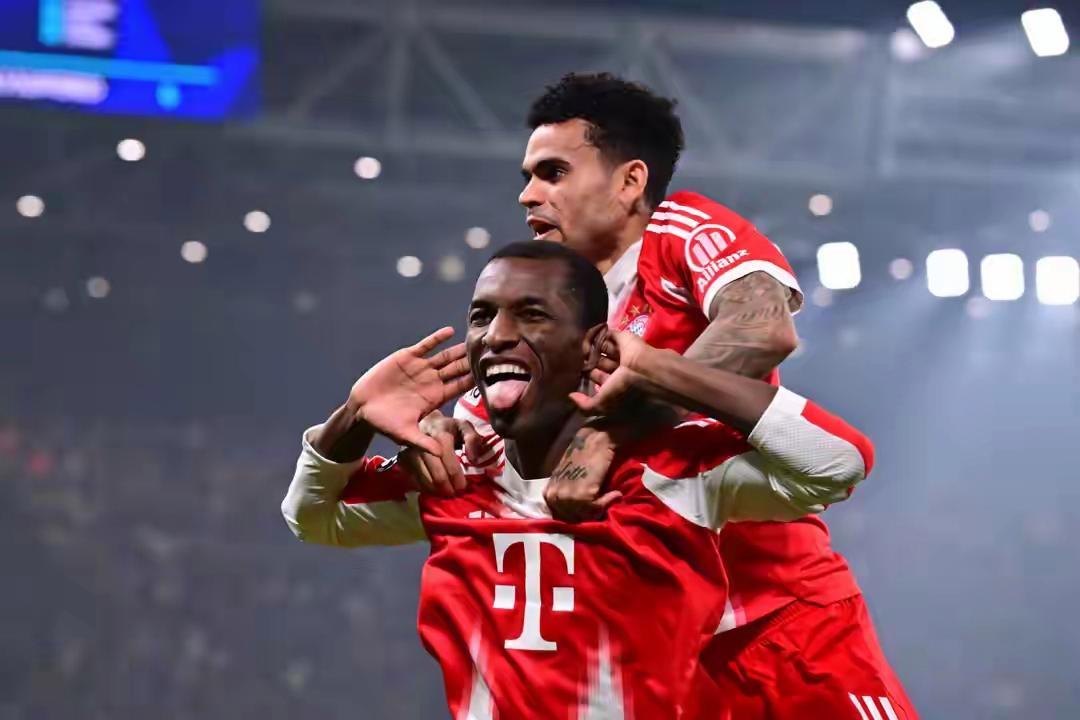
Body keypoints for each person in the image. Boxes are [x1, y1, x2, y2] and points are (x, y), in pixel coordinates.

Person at [405, 73, 915, 718]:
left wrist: (611, 431)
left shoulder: (676, 233)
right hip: (659, 650)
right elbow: (490, 450)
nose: (528, 194)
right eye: (529, 176)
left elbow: (763, 327)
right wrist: (439, 432)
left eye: (554, 172)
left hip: (781, 620)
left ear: (630, 182)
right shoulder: (547, 317)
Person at [282, 241, 874, 719]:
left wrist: (659, 369)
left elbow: (837, 461)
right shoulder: (456, 475)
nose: (497, 334)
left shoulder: (665, 470)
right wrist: (355, 415)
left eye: (532, 314)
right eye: (482, 316)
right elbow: (312, 518)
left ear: (593, 346)